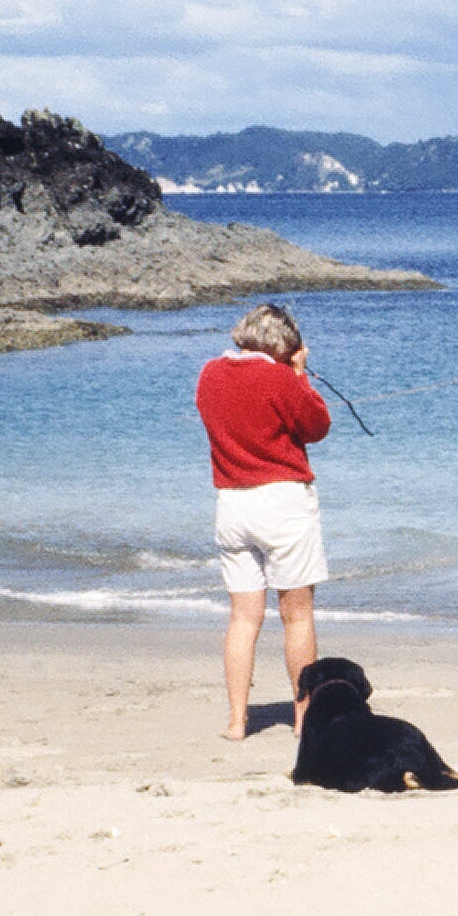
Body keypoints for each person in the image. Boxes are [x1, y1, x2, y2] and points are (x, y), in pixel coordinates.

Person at [196, 301, 332, 742]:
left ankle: (237, 721)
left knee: (243, 618)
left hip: (232, 502)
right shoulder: (279, 376)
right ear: (282, 344)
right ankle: (304, 718)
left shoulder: (209, 374)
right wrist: (299, 374)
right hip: (282, 501)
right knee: (297, 617)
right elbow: (316, 424)